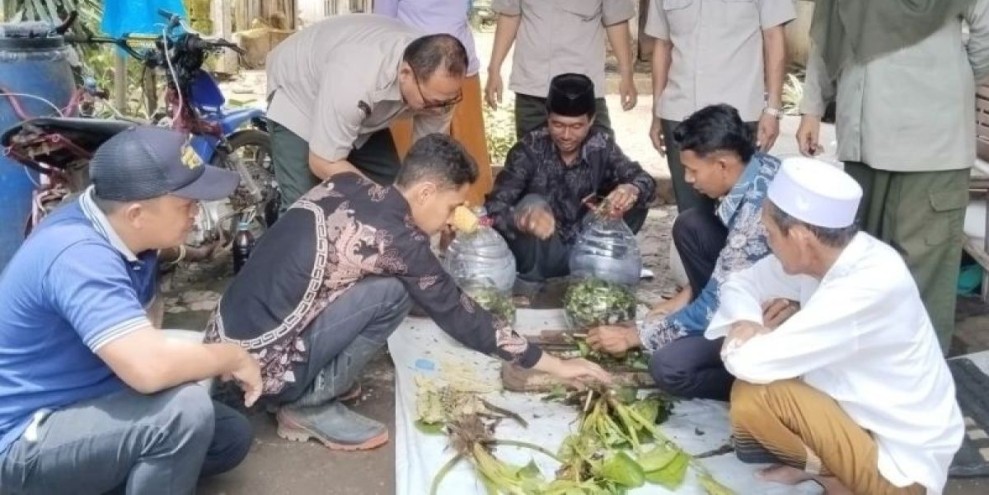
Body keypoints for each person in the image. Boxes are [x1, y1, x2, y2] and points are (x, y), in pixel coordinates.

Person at [205, 133, 610, 451]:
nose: (452, 219)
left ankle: (317, 379)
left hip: (222, 343)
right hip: (261, 373)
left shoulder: (348, 183)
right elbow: (461, 314)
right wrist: (556, 366)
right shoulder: (396, 240)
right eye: (452, 206)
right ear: (426, 192)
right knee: (392, 295)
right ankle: (305, 405)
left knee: (385, 284)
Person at [0, 126, 261, 494]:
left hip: (85, 394)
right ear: (137, 213)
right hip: (23, 435)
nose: (195, 213)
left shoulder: (124, 228)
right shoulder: (77, 254)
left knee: (227, 436)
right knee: (183, 414)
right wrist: (231, 357)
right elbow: (149, 370)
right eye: (186, 204)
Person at [710, 157, 963, 495]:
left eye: (770, 234)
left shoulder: (868, 284)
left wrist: (752, 338)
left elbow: (749, 362)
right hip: (858, 422)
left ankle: (834, 479)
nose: (768, 243)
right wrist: (747, 321)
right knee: (763, 383)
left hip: (901, 466)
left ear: (801, 237)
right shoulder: (829, 257)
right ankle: (826, 472)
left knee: (755, 395)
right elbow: (739, 283)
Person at [796, 0, 989, 353]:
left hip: (933, 153)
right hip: (865, 149)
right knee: (859, 271)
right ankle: (864, 383)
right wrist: (811, 108)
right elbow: (828, 37)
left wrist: (943, 87)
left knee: (922, 283)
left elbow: (986, 35)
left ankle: (920, 392)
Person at [585, 104, 783, 401]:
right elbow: (730, 267)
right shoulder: (758, 167)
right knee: (691, 225)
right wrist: (685, 297)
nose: (688, 179)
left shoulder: (755, 216)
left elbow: (718, 300)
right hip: (750, 286)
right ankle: (704, 330)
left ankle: (752, 382)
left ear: (723, 165)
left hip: (772, 314)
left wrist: (635, 336)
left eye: (692, 170)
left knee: (668, 366)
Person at [266, 14, 468, 211]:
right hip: (300, 94)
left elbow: (426, 159)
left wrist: (438, 204)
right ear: (405, 74)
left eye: (446, 102)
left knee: (395, 188)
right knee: (305, 209)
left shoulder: (441, 95)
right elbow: (322, 161)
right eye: (430, 102)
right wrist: (383, 198)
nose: (438, 109)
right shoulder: (354, 80)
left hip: (358, 112)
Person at [484, 73, 655, 284]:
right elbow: (494, 207)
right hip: (542, 251)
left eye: (576, 127)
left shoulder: (601, 146)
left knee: (635, 198)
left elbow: (643, 179)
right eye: (558, 125)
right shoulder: (527, 150)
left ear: (591, 120)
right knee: (532, 203)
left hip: (587, 245)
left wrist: (630, 190)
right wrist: (523, 219)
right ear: (547, 117)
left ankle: (594, 265)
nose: (566, 135)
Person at [645, 0, 795, 213]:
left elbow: (774, 36)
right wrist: (657, 112)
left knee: (740, 210)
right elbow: (662, 45)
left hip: (737, 117)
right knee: (690, 211)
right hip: (680, 110)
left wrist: (772, 109)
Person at [375, 0, 494, 207]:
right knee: (399, 158)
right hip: (409, 70)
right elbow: (382, 22)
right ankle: (398, 213)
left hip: (458, 69)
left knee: (453, 155)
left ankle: (466, 217)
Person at [485, 0, 638, 138]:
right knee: (532, 161)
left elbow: (616, 21)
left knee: (598, 158)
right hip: (533, 87)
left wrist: (627, 76)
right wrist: (494, 69)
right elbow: (509, 15)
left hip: (584, 90)